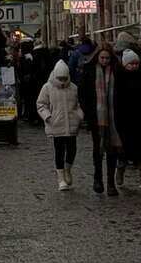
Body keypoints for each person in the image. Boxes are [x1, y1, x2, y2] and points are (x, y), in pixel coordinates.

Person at [79, 42, 122, 196]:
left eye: (107, 58)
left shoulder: (117, 71)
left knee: (112, 149)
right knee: (98, 148)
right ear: (97, 57)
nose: (105, 61)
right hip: (96, 117)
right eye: (102, 58)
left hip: (114, 117)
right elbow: (82, 94)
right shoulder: (89, 71)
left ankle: (110, 182)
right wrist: (88, 113)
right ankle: (98, 178)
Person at [36, 60, 83, 190]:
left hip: (72, 123)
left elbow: (79, 104)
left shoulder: (73, 88)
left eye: (64, 78)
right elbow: (41, 104)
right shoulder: (47, 87)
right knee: (59, 151)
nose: (62, 81)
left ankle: (68, 169)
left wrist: (79, 116)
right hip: (56, 124)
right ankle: (60, 177)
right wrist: (48, 117)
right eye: (60, 78)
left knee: (72, 149)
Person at [115, 49, 141, 188]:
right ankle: (120, 169)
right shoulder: (119, 79)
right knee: (124, 150)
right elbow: (117, 101)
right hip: (125, 120)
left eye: (136, 63)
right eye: (131, 64)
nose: (134, 66)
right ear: (125, 65)